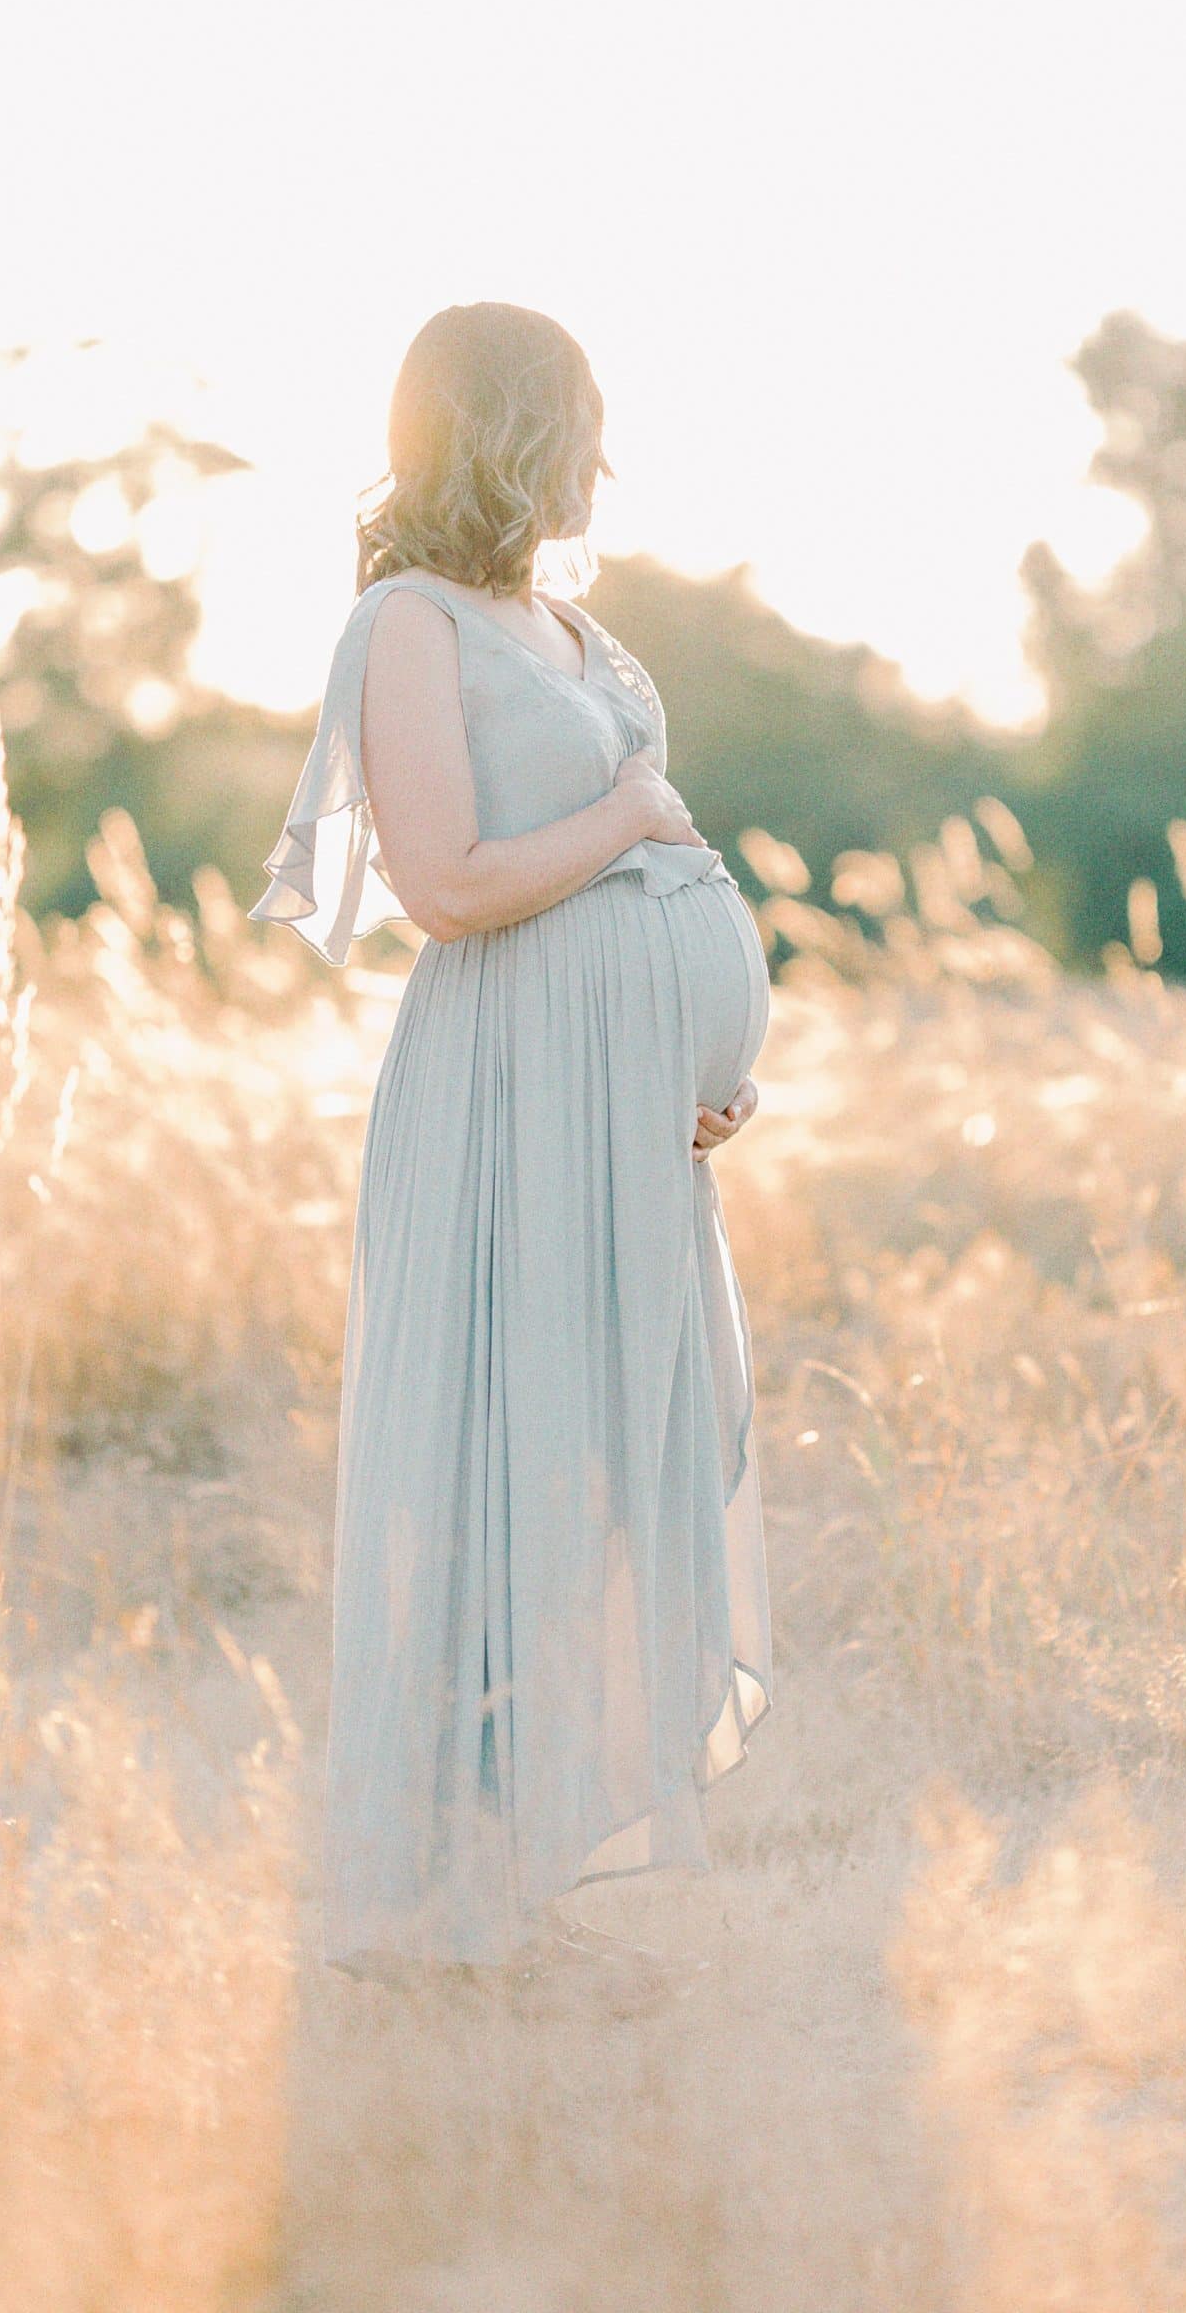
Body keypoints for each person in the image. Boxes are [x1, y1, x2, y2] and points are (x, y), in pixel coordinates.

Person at [249, 302, 773, 2001]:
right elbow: (449, 885)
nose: (599, 460)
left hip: (617, 1122)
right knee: (493, 1467)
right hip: (502, 1102)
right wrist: (634, 819)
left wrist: (699, 1069)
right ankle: (431, 1912)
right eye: (578, 425)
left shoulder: (564, 620)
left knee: (603, 1476)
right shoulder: (408, 624)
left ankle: (525, 1881)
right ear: (508, 431)